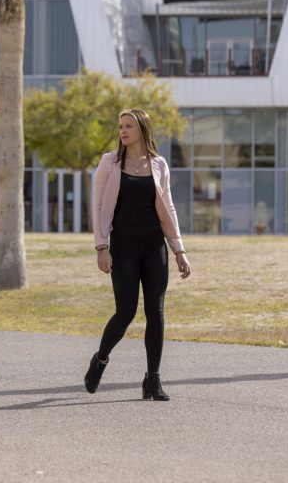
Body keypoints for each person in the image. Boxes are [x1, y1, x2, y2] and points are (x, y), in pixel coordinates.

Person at [85, 109, 191, 401]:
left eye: (129, 126)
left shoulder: (159, 164)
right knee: (126, 312)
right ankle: (101, 359)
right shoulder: (110, 163)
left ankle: (153, 380)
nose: (123, 130)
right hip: (123, 246)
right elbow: (98, 207)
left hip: (153, 245)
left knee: (156, 313)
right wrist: (101, 247)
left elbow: (167, 208)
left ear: (143, 129)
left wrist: (178, 249)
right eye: (120, 126)